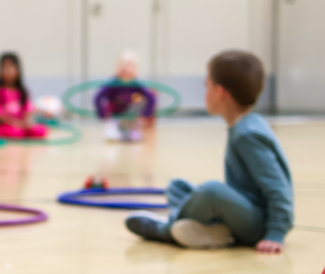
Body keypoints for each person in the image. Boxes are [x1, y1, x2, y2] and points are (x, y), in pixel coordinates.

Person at [125, 50, 292, 253]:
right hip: (245, 213)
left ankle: (166, 229)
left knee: (212, 191)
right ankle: (211, 230)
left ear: (220, 92)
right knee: (177, 187)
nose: (205, 92)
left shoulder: (247, 134)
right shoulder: (243, 126)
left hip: (258, 227)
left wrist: (275, 232)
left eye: (207, 86)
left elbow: (278, 187)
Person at [95, 51, 156, 142]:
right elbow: (98, 97)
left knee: (140, 102)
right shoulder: (112, 83)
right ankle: (113, 129)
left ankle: (131, 130)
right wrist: (102, 113)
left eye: (130, 65)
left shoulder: (136, 84)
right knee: (112, 135)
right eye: (124, 65)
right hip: (114, 115)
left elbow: (151, 97)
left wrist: (146, 113)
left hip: (130, 116)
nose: (126, 68)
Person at [0, 52, 47, 139]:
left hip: (21, 125)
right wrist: (13, 123)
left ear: (18, 70)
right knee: (15, 132)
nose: (9, 70)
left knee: (40, 131)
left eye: (11, 66)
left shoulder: (23, 91)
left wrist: (26, 122)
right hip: (6, 126)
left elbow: (28, 109)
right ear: (0, 72)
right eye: (5, 67)